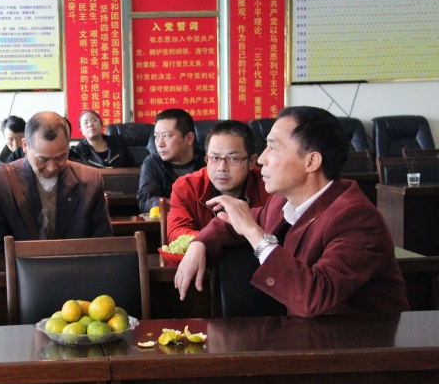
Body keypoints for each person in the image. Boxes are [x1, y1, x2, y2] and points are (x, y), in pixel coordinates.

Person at [174, 106, 409, 317]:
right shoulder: (282, 202)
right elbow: (234, 221)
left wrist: (253, 232)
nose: (262, 159)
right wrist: (199, 244)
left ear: (311, 162)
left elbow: (315, 297)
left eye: (273, 147)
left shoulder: (356, 218)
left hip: (360, 346)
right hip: (307, 338)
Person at [0, 111, 112, 257]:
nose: (52, 167)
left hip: (77, 268)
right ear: (25, 146)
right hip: (20, 270)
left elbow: (102, 245)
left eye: (60, 157)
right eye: (42, 159)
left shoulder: (90, 181)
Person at [166, 120, 269, 243]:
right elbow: (177, 232)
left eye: (233, 159)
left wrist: (207, 240)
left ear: (251, 162)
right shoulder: (187, 187)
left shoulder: (268, 186)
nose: (221, 168)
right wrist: (205, 242)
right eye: (214, 158)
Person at [137, 109, 205, 213]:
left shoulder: (207, 161)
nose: (160, 143)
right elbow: (145, 201)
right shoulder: (153, 163)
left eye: (166, 136)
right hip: (167, 221)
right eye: (156, 136)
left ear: (189, 138)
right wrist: (182, 205)